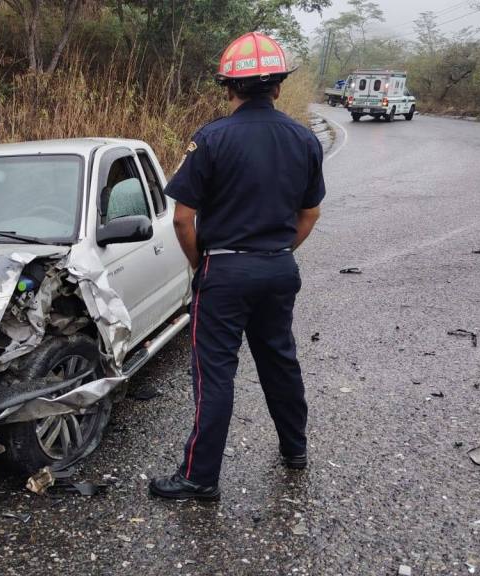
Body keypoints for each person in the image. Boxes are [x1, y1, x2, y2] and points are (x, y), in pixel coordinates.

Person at [149, 32, 325, 501]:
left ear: (229, 88)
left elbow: (183, 218)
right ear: (279, 88)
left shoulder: (210, 139)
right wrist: (279, 252)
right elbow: (310, 213)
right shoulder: (304, 139)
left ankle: (200, 477)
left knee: (214, 374)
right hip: (278, 270)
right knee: (280, 361)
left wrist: (201, 262)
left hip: (224, 273)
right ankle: (295, 450)